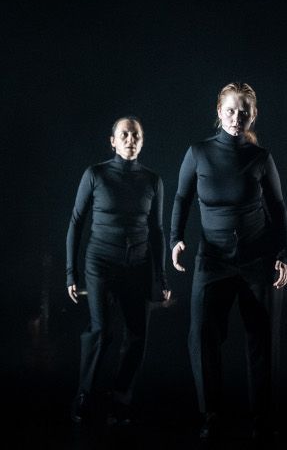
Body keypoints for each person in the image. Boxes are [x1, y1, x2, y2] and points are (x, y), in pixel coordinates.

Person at [170, 82, 287, 442]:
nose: (237, 117)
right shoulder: (198, 153)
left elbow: (278, 208)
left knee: (262, 341)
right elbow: (181, 197)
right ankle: (211, 414)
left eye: (244, 112)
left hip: (257, 258)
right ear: (219, 111)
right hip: (213, 260)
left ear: (252, 115)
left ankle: (262, 419)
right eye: (230, 110)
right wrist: (176, 238)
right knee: (203, 337)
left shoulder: (260, 158)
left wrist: (285, 255)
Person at [66, 116, 170, 426]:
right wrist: (71, 272)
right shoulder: (96, 175)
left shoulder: (153, 181)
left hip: (136, 266)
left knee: (137, 335)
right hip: (100, 263)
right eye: (124, 134)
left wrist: (160, 276)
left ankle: (120, 399)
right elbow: (76, 222)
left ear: (142, 140)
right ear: (113, 141)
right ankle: (85, 396)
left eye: (135, 135)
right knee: (102, 331)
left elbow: (157, 231)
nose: (130, 139)